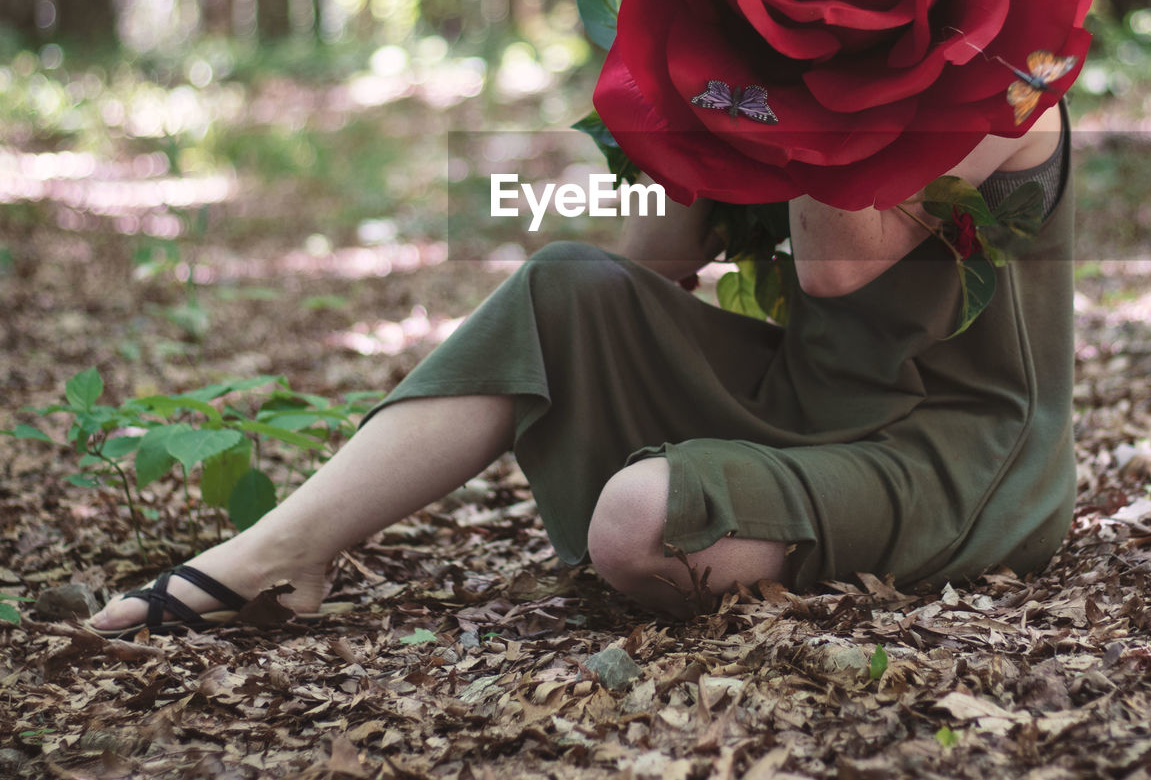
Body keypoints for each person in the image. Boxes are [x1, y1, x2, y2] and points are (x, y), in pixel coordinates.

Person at [89, 101, 1072, 634]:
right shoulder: (772, 63)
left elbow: (836, 257)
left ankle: (740, 511)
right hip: (802, 400)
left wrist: (783, 83)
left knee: (639, 522)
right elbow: (648, 270)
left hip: (953, 461)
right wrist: (691, 97)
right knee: (564, 281)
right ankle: (286, 547)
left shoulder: (1012, 86)